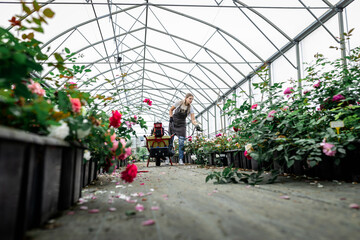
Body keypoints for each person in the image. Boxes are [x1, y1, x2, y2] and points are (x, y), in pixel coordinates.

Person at [168, 93, 200, 165]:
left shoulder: (190, 108)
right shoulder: (178, 103)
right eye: (190, 99)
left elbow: (193, 119)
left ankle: (180, 159)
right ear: (186, 98)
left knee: (181, 143)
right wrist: (171, 117)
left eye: (192, 99)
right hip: (173, 123)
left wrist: (196, 125)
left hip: (182, 124)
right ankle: (168, 158)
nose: (191, 100)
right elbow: (171, 110)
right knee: (170, 141)